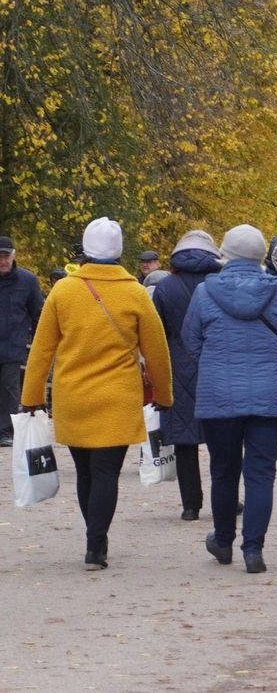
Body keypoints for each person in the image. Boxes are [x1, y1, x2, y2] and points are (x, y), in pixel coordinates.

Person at [21, 218, 173, 569]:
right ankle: (96, 544)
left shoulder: (63, 291)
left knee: (86, 471)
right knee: (107, 472)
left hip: (73, 395)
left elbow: (42, 349)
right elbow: (157, 352)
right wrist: (163, 395)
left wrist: (31, 396)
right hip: (118, 396)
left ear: (86, 250)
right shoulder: (135, 291)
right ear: (119, 252)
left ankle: (93, 537)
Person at [182, 224, 277, 574]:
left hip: (219, 394)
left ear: (226, 254)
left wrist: (216, 363)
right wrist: (272, 366)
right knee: (261, 473)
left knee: (223, 470)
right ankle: (253, 549)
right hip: (269, 395)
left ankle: (223, 540)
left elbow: (191, 342)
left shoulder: (205, 293)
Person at [152, 229, 222, 521]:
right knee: (224, 439)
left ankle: (190, 505)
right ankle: (225, 498)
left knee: (184, 441)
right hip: (217, 364)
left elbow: (158, 332)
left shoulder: (165, 287)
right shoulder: (219, 283)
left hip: (177, 366)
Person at [0, 235, 44, 447]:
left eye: (6, 256)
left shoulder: (27, 281)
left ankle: (6, 430)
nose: (3, 261)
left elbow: (38, 313)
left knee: (10, 387)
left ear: (13, 256)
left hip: (12, 345)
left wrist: (40, 342)